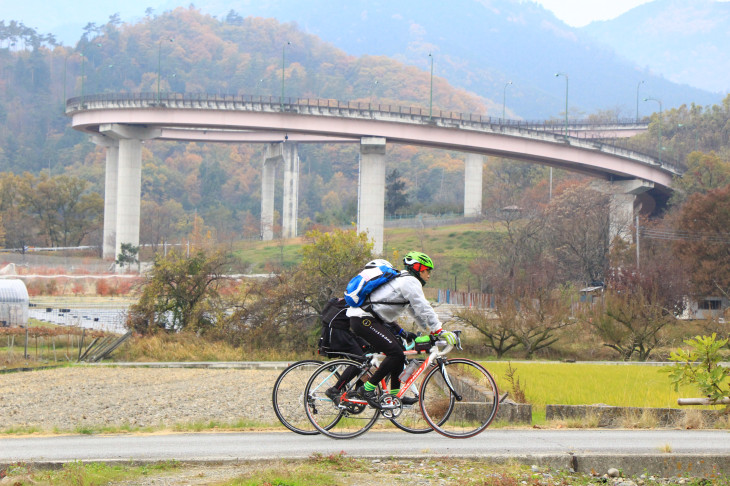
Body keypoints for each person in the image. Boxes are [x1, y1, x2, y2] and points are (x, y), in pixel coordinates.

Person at [346, 251, 457, 409]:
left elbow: (415, 310)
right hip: (364, 319)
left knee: (400, 351)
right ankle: (367, 389)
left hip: (369, 320)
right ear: (418, 269)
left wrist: (429, 330)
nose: (429, 275)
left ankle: (394, 396)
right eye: (427, 271)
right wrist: (439, 330)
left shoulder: (404, 280)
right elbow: (423, 307)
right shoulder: (409, 281)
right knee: (395, 353)